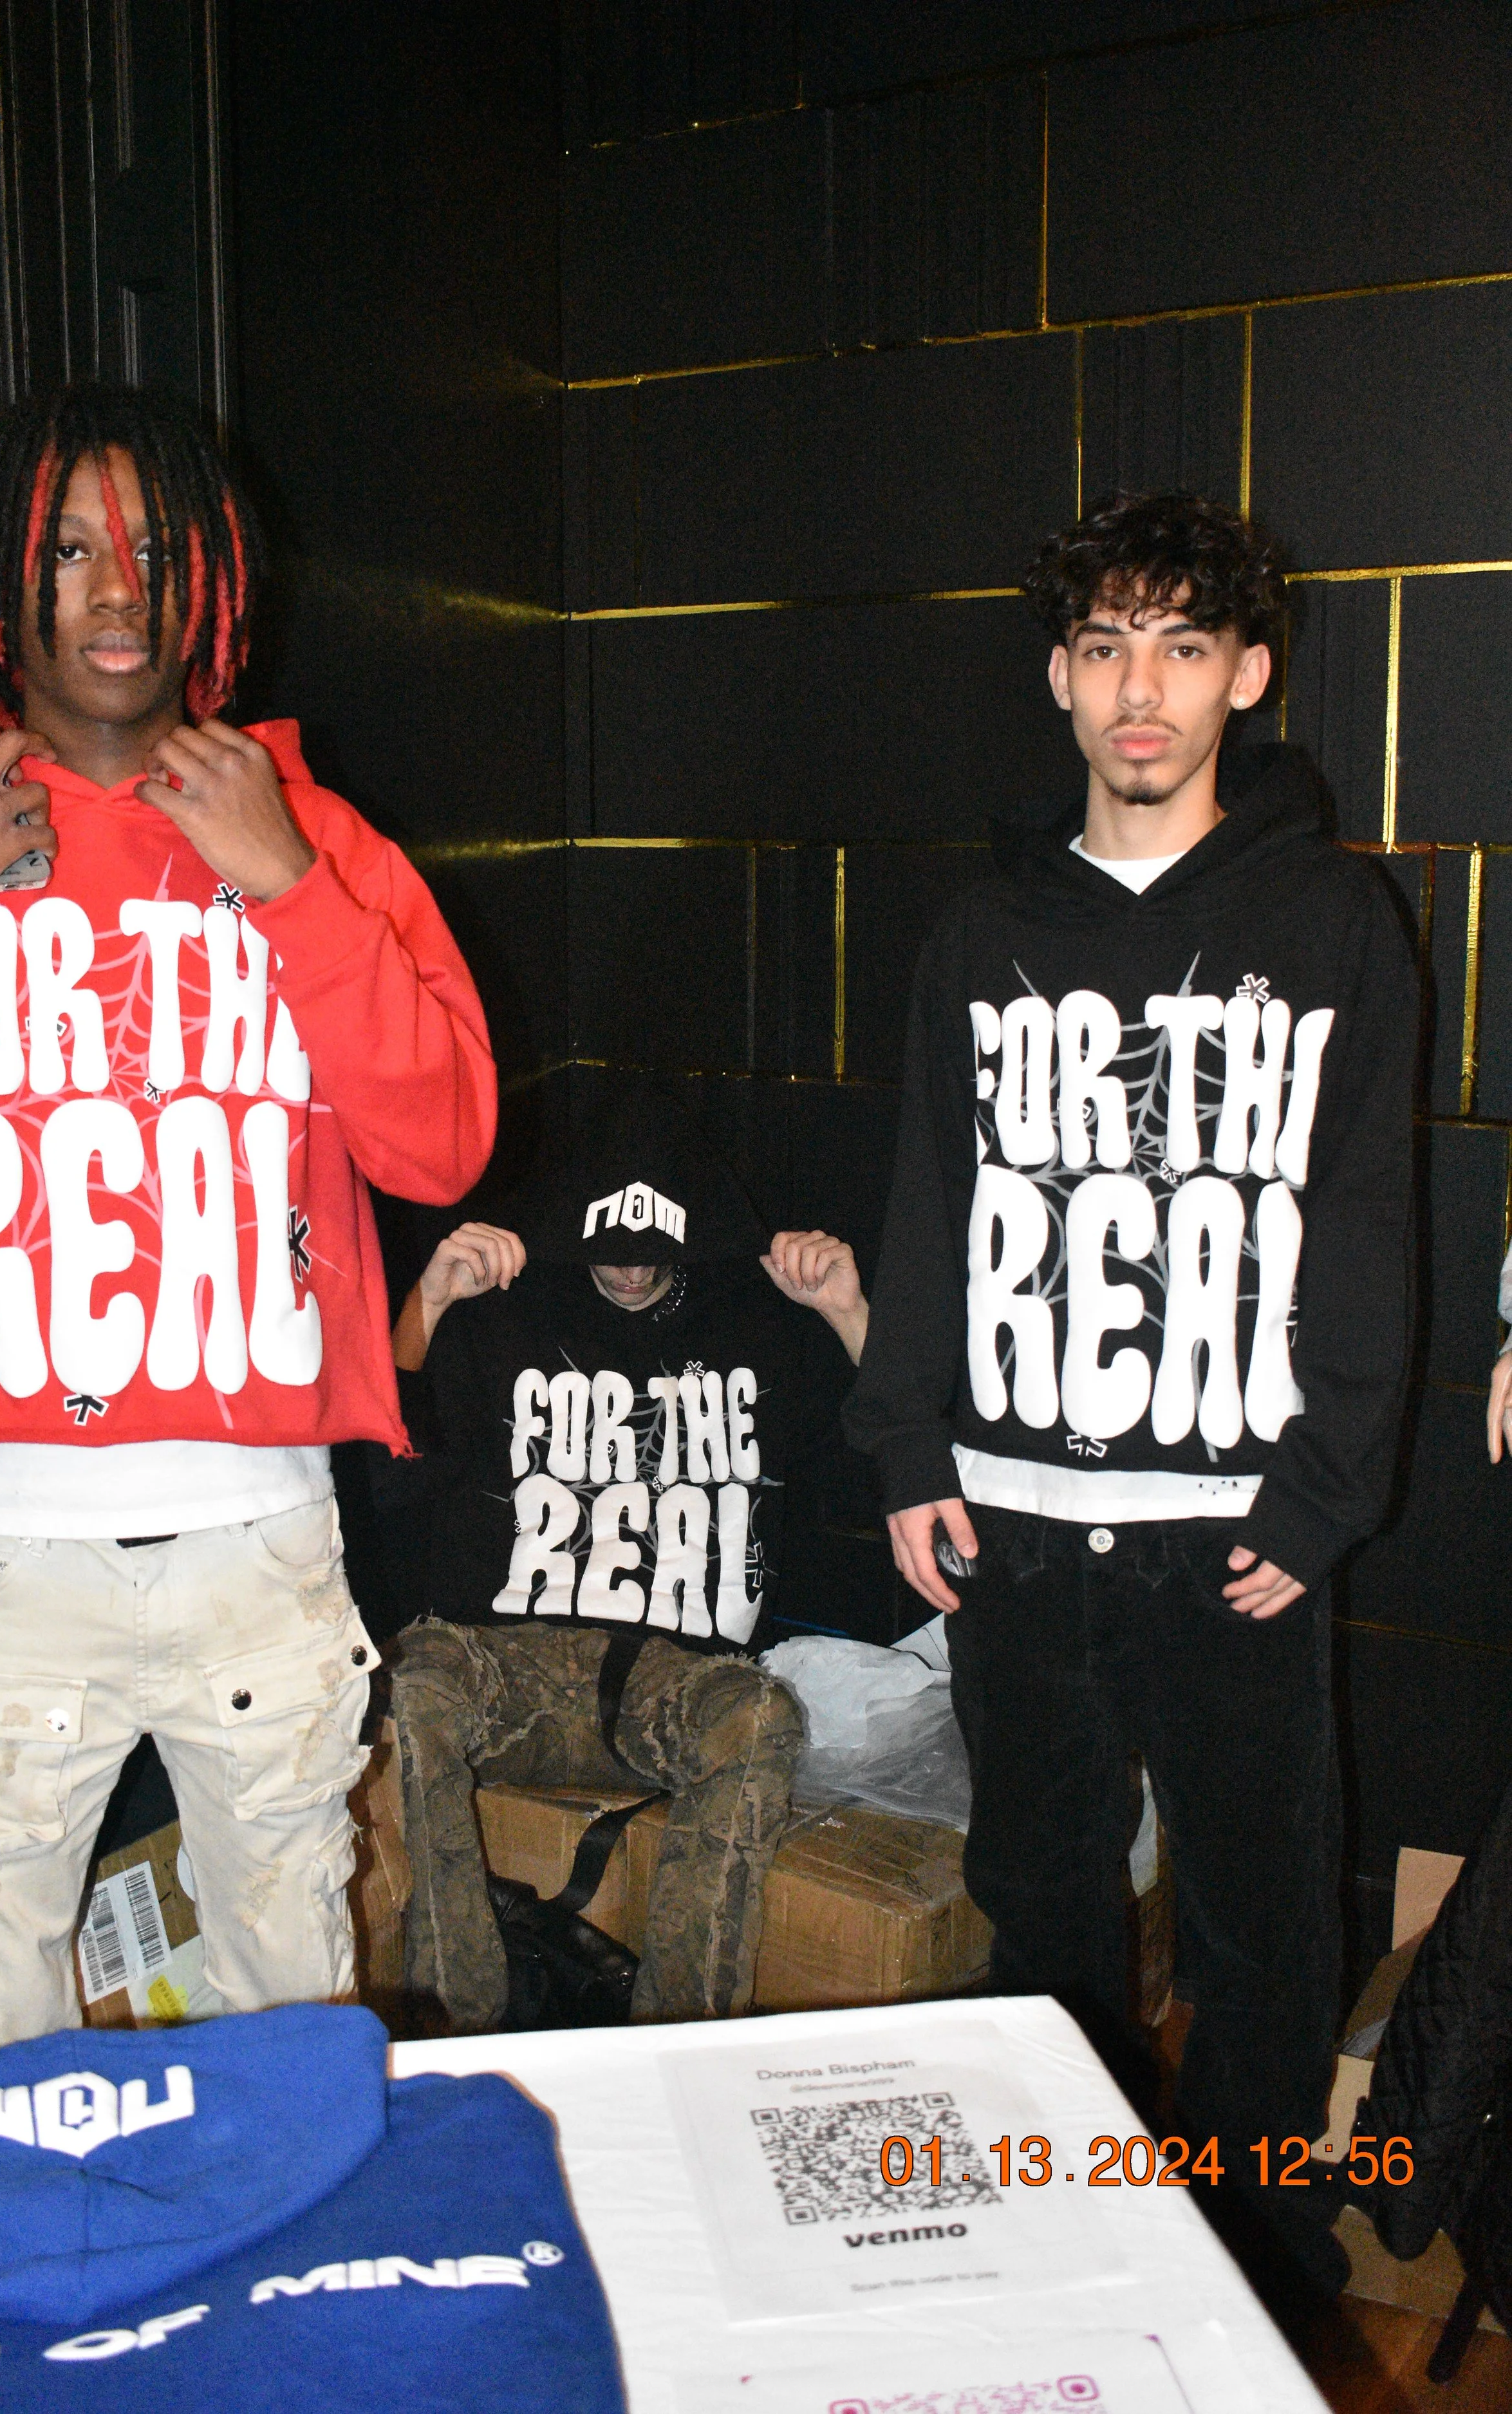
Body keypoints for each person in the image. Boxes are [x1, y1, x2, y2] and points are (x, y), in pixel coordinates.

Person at [845, 491, 1417, 2297]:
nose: (1139, 687)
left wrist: (1322, 1491)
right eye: (1103, 646)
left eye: (1180, 644)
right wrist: (902, 1444)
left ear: (1246, 673)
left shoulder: (1334, 919)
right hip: (1015, 1520)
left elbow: (1368, 1220)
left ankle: (1250, 2269)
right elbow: (927, 1195)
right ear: (1056, 677)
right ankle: (1060, 2246)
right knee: (1041, 1914)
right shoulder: (977, 928)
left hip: (1230, 1539)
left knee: (1261, 1936)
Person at [0, 383, 496, 2051]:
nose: (111, 590)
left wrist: (289, 885)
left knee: (282, 2007)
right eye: (67, 548)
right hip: (9, 1545)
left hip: (259, 1538)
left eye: (151, 552)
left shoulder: (319, 835)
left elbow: (441, 1142)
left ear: (213, 581)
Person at [389, 1087, 869, 2028]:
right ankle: (457, 2025)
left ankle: (678, 2042)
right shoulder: (503, 1306)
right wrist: (432, 1298)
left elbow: (892, 1477)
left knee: (761, 1716)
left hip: (680, 1678)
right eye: (613, 1244)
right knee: (411, 1688)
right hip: (508, 1659)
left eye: (655, 1249)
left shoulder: (761, 1318)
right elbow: (374, 1448)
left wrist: (851, 1315)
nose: (633, 1269)